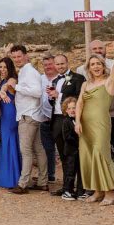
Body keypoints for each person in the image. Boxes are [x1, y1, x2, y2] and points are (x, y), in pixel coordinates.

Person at [77, 39, 114, 200]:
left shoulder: (109, 82)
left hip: (102, 123)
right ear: (88, 68)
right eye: (92, 64)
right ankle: (98, 191)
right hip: (86, 125)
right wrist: (78, 122)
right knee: (90, 155)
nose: (96, 67)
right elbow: (80, 103)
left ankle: (110, 191)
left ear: (103, 66)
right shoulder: (85, 84)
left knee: (102, 154)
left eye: (98, 64)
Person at [7, 45, 47, 194]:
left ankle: (23, 184)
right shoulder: (25, 71)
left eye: (19, 56)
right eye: (14, 57)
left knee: (26, 151)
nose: (17, 59)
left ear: (26, 56)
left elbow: (37, 92)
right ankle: (43, 182)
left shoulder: (30, 72)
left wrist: (16, 87)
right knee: (38, 149)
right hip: (32, 115)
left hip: (28, 116)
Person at [49, 55, 86, 198]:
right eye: (57, 64)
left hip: (71, 120)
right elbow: (54, 102)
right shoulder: (55, 80)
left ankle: (81, 188)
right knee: (64, 154)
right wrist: (51, 97)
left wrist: (59, 95)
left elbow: (79, 97)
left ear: (67, 63)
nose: (60, 66)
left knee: (76, 154)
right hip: (57, 120)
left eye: (62, 63)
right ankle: (67, 187)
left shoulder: (78, 78)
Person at [0, 57, 20, 189]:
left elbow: (7, 86)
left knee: (9, 142)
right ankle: (5, 177)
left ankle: (12, 179)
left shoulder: (12, 79)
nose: (2, 70)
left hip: (10, 114)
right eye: (1, 67)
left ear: (10, 68)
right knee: (4, 143)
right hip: (4, 113)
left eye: (5, 67)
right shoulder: (2, 79)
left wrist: (3, 91)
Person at [55, 97, 83, 200]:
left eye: (74, 108)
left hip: (79, 152)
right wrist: (78, 140)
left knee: (81, 171)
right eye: (69, 108)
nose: (72, 110)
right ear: (66, 110)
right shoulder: (66, 122)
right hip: (71, 152)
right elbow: (67, 137)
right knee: (70, 172)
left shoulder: (80, 121)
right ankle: (67, 190)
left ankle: (80, 191)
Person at [38, 54, 58, 182]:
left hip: (59, 118)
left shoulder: (61, 78)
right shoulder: (40, 79)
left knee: (62, 148)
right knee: (47, 148)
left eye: (50, 64)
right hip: (44, 118)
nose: (48, 67)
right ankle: (50, 174)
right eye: (45, 65)